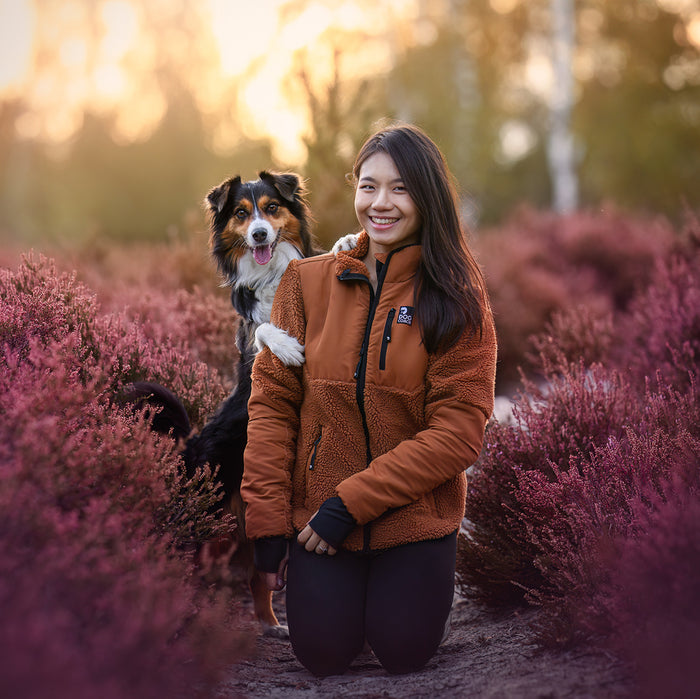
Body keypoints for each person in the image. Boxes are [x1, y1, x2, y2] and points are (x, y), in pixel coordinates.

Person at [240, 123, 497, 677]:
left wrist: (348, 505)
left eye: (400, 188)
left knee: (403, 649)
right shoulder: (305, 284)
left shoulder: (456, 297)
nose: (381, 203)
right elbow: (272, 408)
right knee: (322, 655)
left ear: (427, 196)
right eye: (368, 186)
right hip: (320, 523)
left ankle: (407, 592)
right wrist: (266, 524)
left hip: (411, 518)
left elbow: (458, 432)